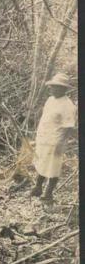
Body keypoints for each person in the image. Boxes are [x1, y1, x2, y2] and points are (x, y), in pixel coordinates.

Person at [30, 73, 77, 204]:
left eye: (57, 87)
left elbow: (68, 128)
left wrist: (60, 143)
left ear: (64, 89)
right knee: (41, 163)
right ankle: (38, 187)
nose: (53, 89)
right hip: (43, 138)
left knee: (53, 168)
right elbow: (45, 119)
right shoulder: (50, 100)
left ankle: (48, 194)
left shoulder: (68, 106)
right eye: (52, 86)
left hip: (55, 141)